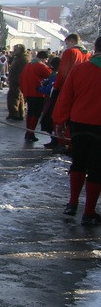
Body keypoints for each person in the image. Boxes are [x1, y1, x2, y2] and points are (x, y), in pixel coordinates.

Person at [52, 36, 101, 225]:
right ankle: (89, 213)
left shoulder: (79, 69)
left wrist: (60, 121)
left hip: (79, 123)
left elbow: (65, 97)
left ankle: (72, 203)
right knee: (97, 169)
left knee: (78, 162)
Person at [20, 50, 52, 143]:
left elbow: (21, 78)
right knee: (36, 114)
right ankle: (31, 132)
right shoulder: (40, 66)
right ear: (42, 58)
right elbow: (50, 74)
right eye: (46, 59)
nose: (46, 61)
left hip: (28, 93)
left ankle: (28, 131)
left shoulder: (28, 65)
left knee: (30, 113)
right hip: (37, 93)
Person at [6, 44, 28, 121]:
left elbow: (22, 71)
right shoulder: (19, 58)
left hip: (17, 80)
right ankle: (18, 113)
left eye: (16, 50)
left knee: (14, 97)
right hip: (15, 80)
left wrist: (18, 80)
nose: (14, 51)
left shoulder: (23, 59)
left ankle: (15, 114)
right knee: (17, 97)